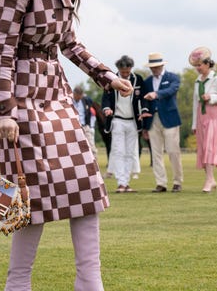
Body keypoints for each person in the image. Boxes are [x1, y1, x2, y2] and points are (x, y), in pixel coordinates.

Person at [0, 0, 134, 291]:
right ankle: (17, 288)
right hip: (20, 97)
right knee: (31, 194)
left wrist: (107, 76)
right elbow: (2, 48)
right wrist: (3, 110)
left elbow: (70, 44)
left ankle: (90, 281)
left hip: (56, 95)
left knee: (86, 185)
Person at [101, 55, 147, 193]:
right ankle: (121, 182)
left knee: (130, 152)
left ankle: (126, 182)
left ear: (131, 68)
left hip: (133, 121)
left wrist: (144, 111)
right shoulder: (112, 79)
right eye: (123, 72)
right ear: (119, 69)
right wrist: (107, 108)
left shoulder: (138, 79)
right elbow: (106, 98)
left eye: (127, 71)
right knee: (118, 151)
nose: (125, 74)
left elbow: (143, 98)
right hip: (117, 120)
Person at [189, 46, 217, 193]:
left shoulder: (216, 79)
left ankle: (209, 179)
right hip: (202, 116)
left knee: (209, 147)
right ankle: (210, 179)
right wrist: (194, 123)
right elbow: (195, 103)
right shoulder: (197, 81)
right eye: (196, 66)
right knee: (202, 147)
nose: (198, 68)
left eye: (200, 65)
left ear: (207, 64)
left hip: (215, 116)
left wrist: (212, 97)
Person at [141, 53, 183, 192]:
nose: (154, 69)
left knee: (173, 151)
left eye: (156, 66)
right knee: (156, 153)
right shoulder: (147, 82)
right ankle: (161, 183)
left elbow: (171, 90)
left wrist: (157, 94)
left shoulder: (172, 78)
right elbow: (145, 102)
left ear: (162, 65)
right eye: (152, 67)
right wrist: (145, 126)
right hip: (153, 120)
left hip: (170, 119)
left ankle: (177, 181)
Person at [72, 86, 98, 153]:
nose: (80, 97)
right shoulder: (69, 102)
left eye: (81, 95)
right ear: (74, 94)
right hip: (73, 127)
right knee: (74, 148)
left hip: (85, 126)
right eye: (78, 95)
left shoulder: (85, 100)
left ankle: (94, 162)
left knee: (92, 148)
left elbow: (92, 102)